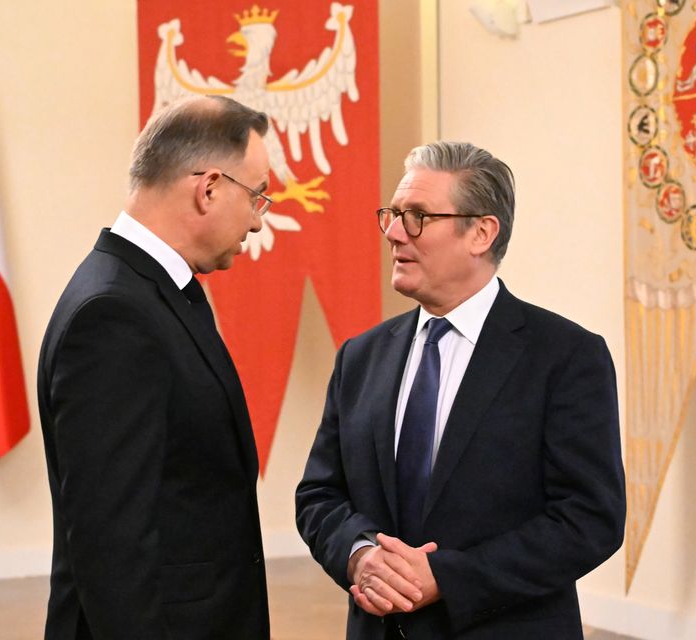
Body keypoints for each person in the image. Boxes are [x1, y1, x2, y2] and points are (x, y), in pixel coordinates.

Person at [295, 141, 625, 639]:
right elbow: (320, 494)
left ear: (481, 233)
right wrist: (361, 556)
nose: (391, 231)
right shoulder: (360, 358)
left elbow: (588, 519)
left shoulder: (565, 356)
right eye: (392, 214)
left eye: (417, 217)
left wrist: (446, 578)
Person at [37, 95, 272, 640]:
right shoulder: (114, 314)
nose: (259, 221)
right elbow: (112, 546)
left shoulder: (156, 291)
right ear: (209, 188)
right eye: (257, 196)